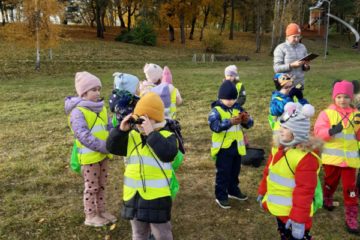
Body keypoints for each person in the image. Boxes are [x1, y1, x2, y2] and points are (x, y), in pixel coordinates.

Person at [106, 92, 178, 240]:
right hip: (134, 196)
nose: (141, 124)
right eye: (139, 118)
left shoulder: (168, 136)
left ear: (156, 119)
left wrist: (151, 134)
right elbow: (112, 147)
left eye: (146, 119)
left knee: (161, 234)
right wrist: (120, 130)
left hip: (157, 197)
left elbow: (168, 154)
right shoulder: (132, 136)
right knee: (138, 234)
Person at [258, 102, 322, 240]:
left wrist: (298, 220)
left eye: (286, 127)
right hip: (280, 210)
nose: (280, 129)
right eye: (281, 125)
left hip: (295, 216)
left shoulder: (305, 159)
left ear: (297, 133)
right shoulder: (277, 148)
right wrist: (263, 191)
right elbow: (268, 172)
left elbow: (305, 191)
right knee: (283, 234)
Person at [64, 71, 116, 227]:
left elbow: (109, 126)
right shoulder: (78, 112)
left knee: (102, 185)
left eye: (99, 89)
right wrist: (103, 146)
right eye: (94, 90)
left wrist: (114, 138)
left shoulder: (102, 108)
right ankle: (90, 215)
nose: (98, 93)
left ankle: (101, 211)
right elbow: (83, 135)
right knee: (91, 187)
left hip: (104, 155)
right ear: (83, 93)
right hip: (90, 157)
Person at [314, 80, 360, 234]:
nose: (342, 100)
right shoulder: (326, 113)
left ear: (351, 98)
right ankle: (327, 197)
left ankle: (351, 217)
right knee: (330, 182)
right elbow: (318, 132)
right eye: (339, 96)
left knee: (350, 189)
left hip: (350, 160)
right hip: (332, 159)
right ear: (334, 97)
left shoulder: (356, 115)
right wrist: (330, 131)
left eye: (346, 97)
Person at [208, 81, 254, 209]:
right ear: (220, 98)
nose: (231, 101)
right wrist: (229, 122)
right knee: (223, 173)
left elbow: (250, 124)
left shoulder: (238, 108)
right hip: (223, 149)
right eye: (227, 99)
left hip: (237, 147)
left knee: (235, 171)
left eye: (233, 98)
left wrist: (246, 120)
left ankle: (233, 190)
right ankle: (221, 195)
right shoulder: (215, 111)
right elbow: (214, 126)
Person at [273, 23, 311, 101]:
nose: (297, 39)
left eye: (298, 36)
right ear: (287, 36)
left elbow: (305, 67)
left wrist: (306, 66)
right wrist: (291, 65)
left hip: (299, 83)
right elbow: (276, 68)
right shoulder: (280, 48)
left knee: (298, 106)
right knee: (287, 107)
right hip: (286, 85)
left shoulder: (302, 47)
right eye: (294, 37)